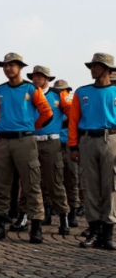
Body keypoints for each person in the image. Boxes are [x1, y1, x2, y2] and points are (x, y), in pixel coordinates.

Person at [0, 53, 53, 243]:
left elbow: (46, 113)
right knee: (1, 185)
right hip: (3, 141)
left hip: (25, 141)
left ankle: (36, 228)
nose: (8, 69)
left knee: (32, 184)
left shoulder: (31, 89)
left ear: (20, 67)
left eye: (12, 65)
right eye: (5, 66)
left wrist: (30, 127)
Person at [70, 53, 116, 250]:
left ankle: (108, 233)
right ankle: (93, 230)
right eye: (91, 66)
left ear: (107, 69)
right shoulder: (82, 92)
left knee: (110, 186)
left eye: (96, 66)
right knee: (90, 187)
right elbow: (73, 121)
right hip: (87, 139)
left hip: (111, 139)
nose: (92, 70)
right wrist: (73, 146)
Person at [26, 66, 73, 234]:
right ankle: (25, 216)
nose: (36, 79)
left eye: (40, 76)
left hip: (50, 142)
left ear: (47, 79)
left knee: (55, 181)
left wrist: (60, 126)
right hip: (31, 141)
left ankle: (63, 217)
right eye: (34, 76)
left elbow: (72, 113)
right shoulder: (29, 93)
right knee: (30, 181)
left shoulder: (58, 94)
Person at [55, 80, 80, 228]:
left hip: (69, 148)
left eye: (63, 91)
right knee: (53, 182)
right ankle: (51, 211)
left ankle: (73, 213)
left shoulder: (72, 108)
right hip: (55, 147)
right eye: (58, 91)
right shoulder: (53, 107)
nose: (61, 93)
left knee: (72, 182)